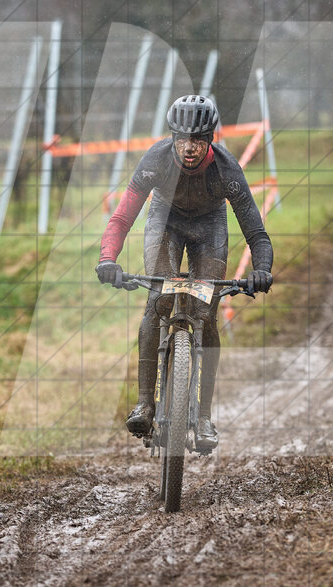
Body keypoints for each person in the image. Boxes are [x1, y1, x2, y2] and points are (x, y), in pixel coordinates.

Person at [95, 94, 273, 451]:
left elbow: (256, 232)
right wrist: (108, 259)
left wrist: (261, 270)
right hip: (166, 223)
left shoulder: (226, 169)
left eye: (198, 140)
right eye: (181, 139)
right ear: (172, 137)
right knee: (158, 299)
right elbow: (122, 217)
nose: (188, 148)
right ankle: (145, 403)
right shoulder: (155, 160)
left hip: (210, 228)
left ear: (210, 140)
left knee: (205, 314)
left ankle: (203, 416)